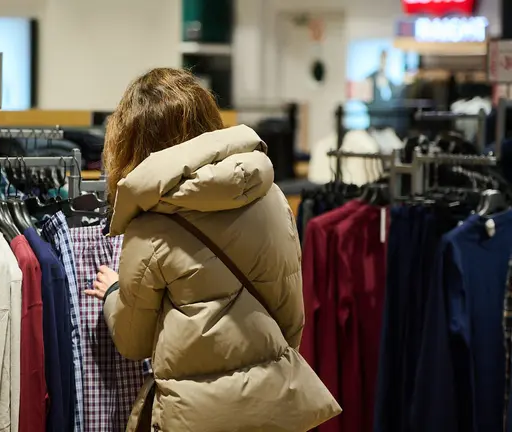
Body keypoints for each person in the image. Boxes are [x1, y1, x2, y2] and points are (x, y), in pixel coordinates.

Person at [84, 68, 339, 432]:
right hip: (273, 412)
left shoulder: (149, 225)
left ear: (132, 142)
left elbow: (133, 340)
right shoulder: (272, 198)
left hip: (193, 418)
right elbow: (291, 319)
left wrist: (113, 293)